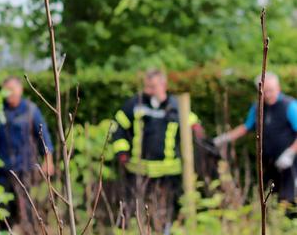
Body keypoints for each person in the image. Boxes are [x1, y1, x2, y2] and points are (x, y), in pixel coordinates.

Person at [108, 69, 201, 218]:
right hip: (139, 172)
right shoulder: (135, 104)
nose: (148, 91)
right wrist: (122, 153)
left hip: (169, 174)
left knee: (168, 212)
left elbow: (194, 125)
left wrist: (197, 129)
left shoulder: (175, 106)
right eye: (146, 86)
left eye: (152, 87)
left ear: (163, 85)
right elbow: (117, 127)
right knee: (137, 212)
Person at [213, 73, 297, 208]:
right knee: (270, 194)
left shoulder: (289, 106)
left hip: (289, 162)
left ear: (278, 88)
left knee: (289, 196)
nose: (268, 95)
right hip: (269, 160)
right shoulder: (258, 107)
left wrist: (290, 153)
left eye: (271, 90)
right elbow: (246, 127)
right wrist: (225, 138)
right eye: (265, 91)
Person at [0, 75, 55, 235]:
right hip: (3, 173)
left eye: (12, 90)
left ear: (20, 90)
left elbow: (44, 137)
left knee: (26, 211)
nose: (9, 94)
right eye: (6, 91)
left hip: (25, 170)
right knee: (3, 213)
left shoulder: (31, 111)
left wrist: (48, 160)